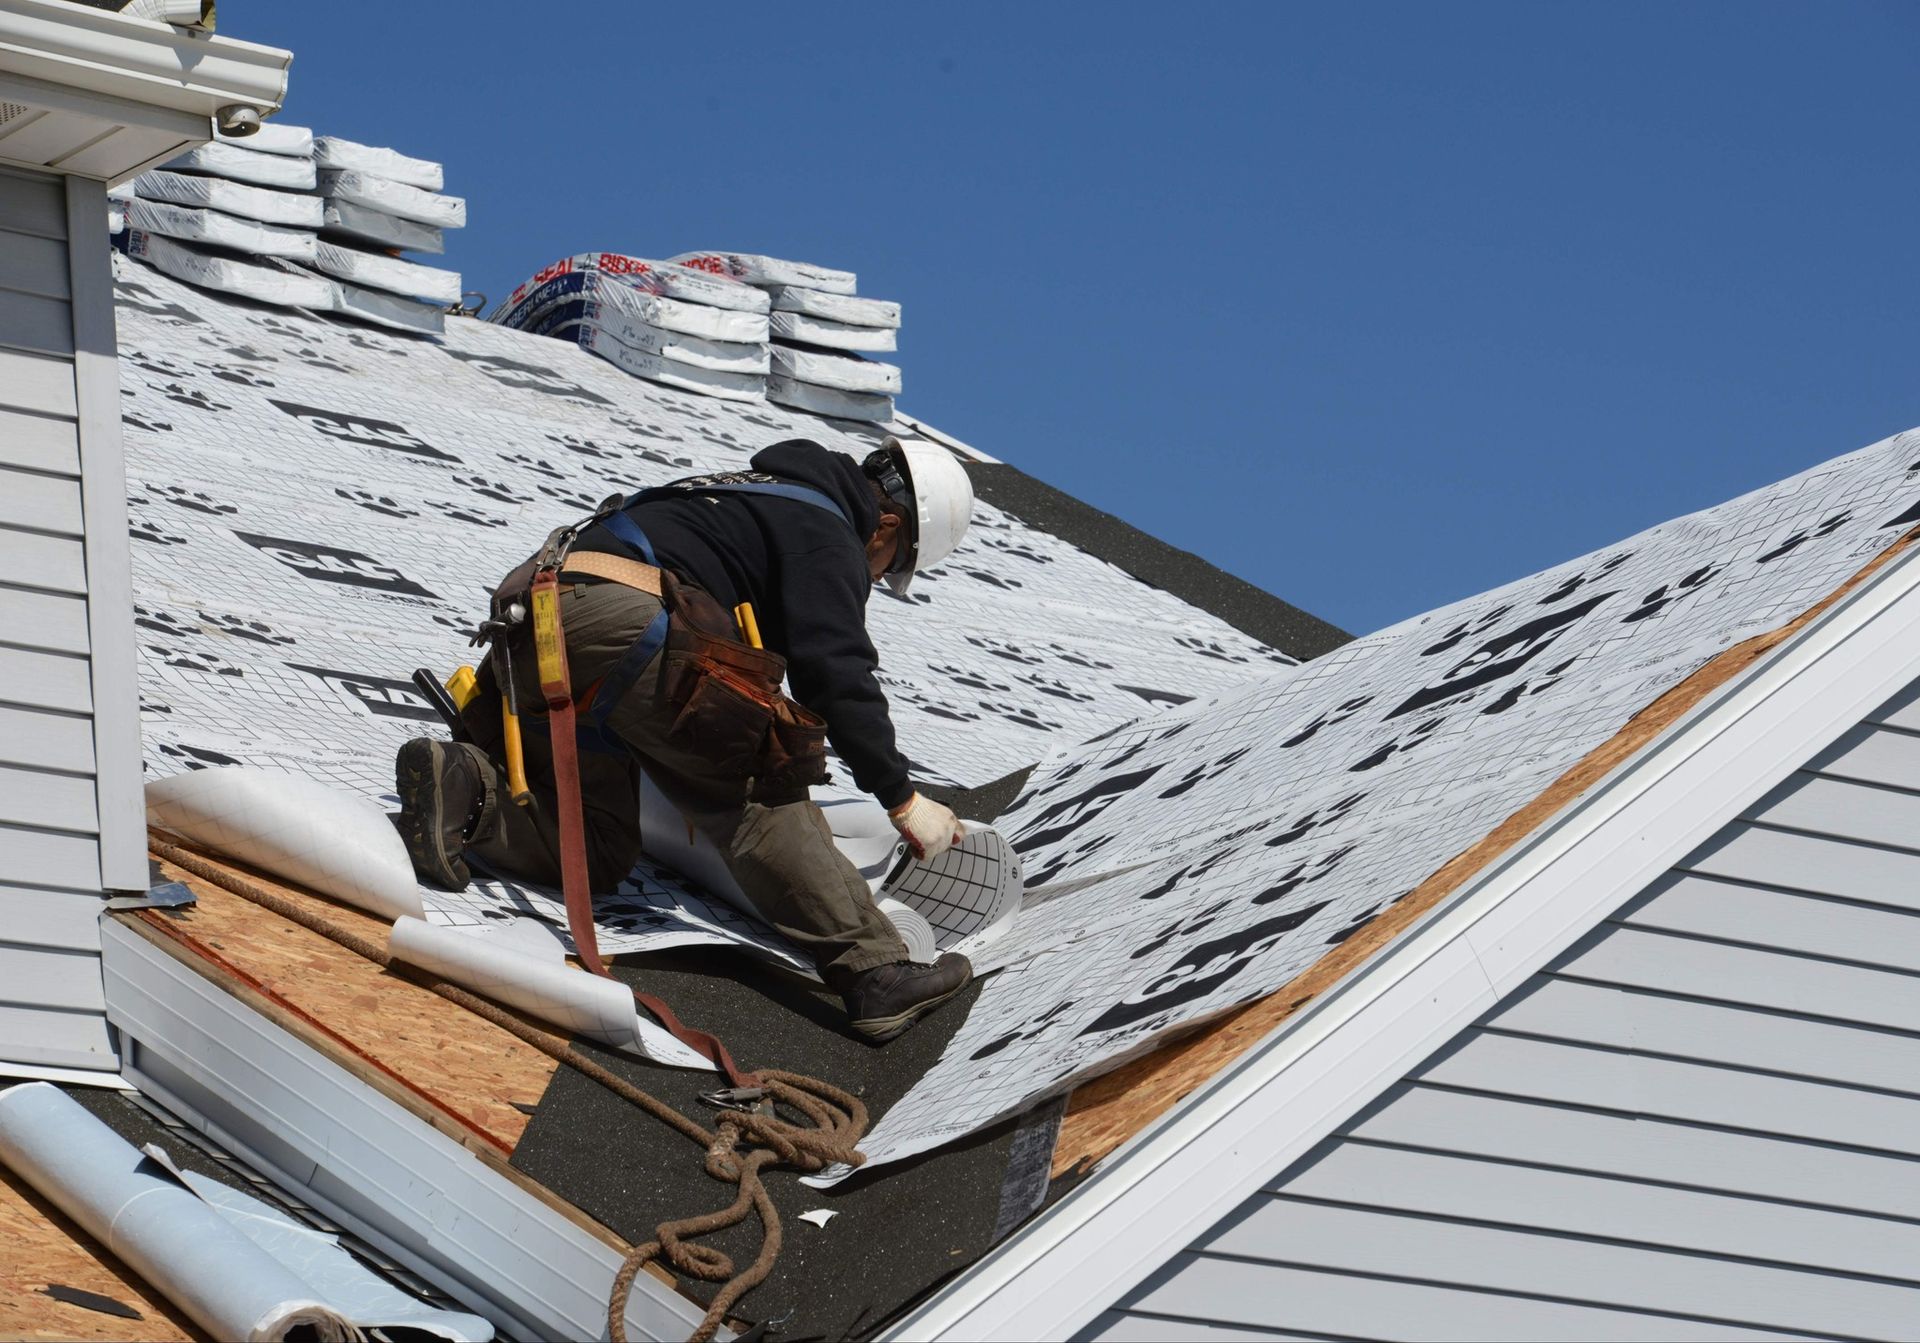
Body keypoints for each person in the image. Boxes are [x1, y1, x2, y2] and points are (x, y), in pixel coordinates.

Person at [394, 436, 976, 1041]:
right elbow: (835, 672)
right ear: (886, 527)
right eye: (888, 567)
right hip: (624, 629)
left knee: (595, 847)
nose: (875, 577)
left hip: (534, 626)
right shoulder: (827, 530)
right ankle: (876, 973)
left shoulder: (744, 492)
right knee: (761, 789)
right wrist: (900, 797)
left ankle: (466, 789)